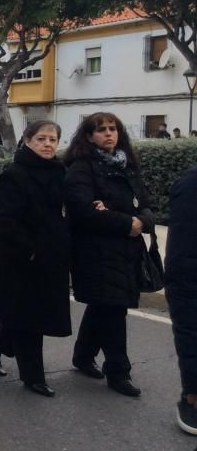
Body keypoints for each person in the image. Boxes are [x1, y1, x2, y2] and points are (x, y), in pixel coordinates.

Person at [64, 112, 155, 397]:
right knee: (114, 309)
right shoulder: (81, 168)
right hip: (96, 251)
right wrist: (127, 221)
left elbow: (148, 204)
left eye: (112, 129)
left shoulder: (127, 166)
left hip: (128, 250)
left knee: (104, 305)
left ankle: (82, 356)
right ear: (89, 136)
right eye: (101, 130)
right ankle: (118, 372)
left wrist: (141, 221)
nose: (108, 134)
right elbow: (83, 211)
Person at [0, 121, 71, 396]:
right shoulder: (14, 174)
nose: (47, 144)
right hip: (20, 261)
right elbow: (3, 221)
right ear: (27, 141)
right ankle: (33, 376)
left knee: (23, 316)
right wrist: (30, 250)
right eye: (41, 138)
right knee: (30, 319)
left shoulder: (61, 172)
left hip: (51, 259)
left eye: (52, 139)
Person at [164, 166, 197, 433]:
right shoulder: (189, 186)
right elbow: (184, 242)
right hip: (189, 277)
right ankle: (192, 400)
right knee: (192, 339)